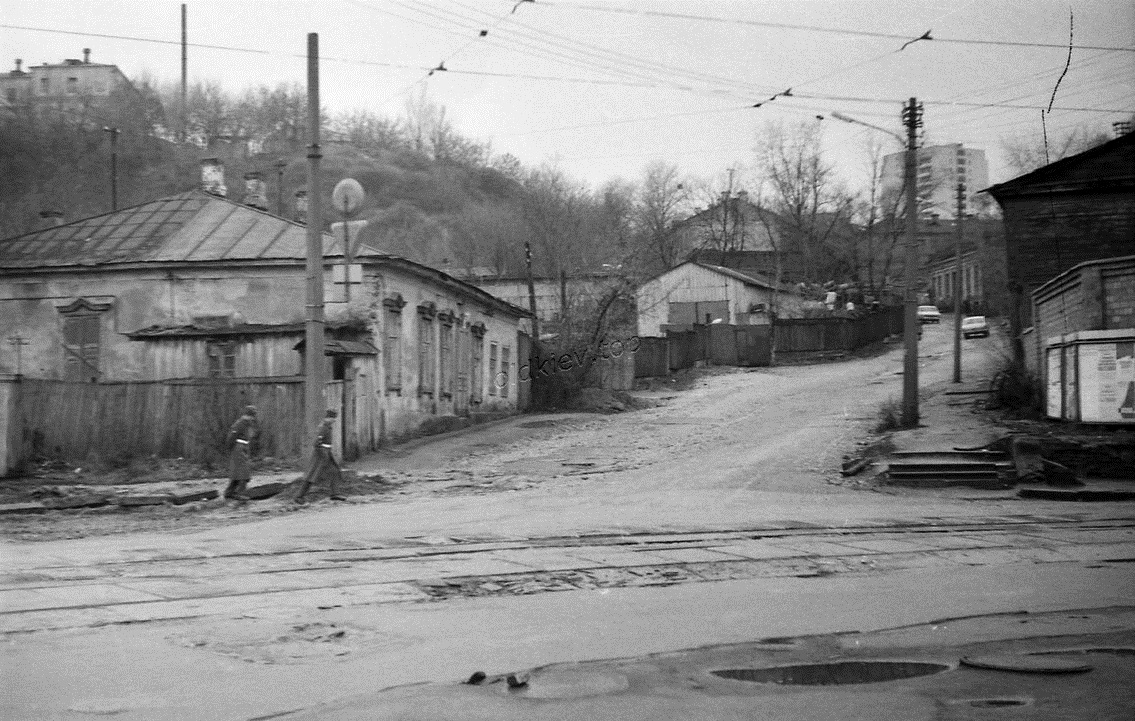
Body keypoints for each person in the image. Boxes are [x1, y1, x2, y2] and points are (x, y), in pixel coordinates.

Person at [293, 409, 346, 503]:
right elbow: (317, 443)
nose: (334, 420)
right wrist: (323, 454)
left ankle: (335, 494)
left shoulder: (327, 426)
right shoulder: (324, 427)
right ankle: (299, 496)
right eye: (333, 418)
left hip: (326, 452)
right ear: (328, 417)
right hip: (320, 454)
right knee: (312, 475)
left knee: (334, 471)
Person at [223, 405, 259, 501]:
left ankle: (229, 492)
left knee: (238, 471)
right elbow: (232, 436)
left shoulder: (246, 423)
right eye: (253, 415)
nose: (253, 418)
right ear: (250, 415)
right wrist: (229, 448)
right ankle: (240, 493)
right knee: (243, 471)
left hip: (242, 447)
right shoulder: (241, 423)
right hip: (238, 448)